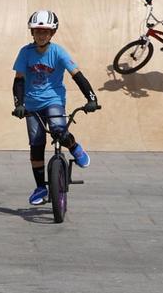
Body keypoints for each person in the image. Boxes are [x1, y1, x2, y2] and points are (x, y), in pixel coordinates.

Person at [11, 11, 100, 207]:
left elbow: (77, 75)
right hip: (32, 104)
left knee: (59, 130)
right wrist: (18, 104)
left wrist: (91, 98)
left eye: (45, 32)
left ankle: (75, 148)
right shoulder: (25, 52)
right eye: (37, 31)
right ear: (32, 33)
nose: (41, 35)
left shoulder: (58, 52)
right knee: (36, 144)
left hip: (53, 100)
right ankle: (40, 187)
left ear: (52, 33)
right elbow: (18, 80)